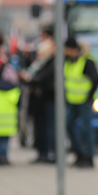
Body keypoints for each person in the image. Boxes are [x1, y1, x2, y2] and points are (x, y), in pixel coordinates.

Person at [64, 37, 98, 169]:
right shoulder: (68, 62)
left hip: (84, 101)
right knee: (68, 126)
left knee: (86, 129)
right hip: (72, 101)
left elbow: (96, 80)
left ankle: (89, 158)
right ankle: (79, 154)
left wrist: (89, 97)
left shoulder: (86, 62)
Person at [22, 27, 55, 164]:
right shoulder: (39, 63)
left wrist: (29, 80)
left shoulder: (51, 62)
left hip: (48, 98)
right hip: (39, 100)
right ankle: (42, 152)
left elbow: (43, 77)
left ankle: (49, 153)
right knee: (40, 127)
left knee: (48, 127)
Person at [0, 66, 21, 165]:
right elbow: (18, 104)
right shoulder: (14, 91)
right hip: (8, 122)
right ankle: (3, 157)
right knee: (4, 142)